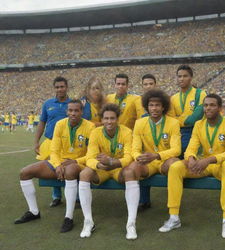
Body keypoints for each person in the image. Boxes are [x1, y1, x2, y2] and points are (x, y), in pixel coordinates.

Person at [159, 94, 225, 239]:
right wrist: (190, 158)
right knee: (176, 167)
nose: (208, 108)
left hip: (219, 165)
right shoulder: (199, 125)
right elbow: (191, 147)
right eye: (206, 105)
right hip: (202, 165)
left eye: (212, 105)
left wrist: (208, 160)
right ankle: (174, 217)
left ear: (220, 108)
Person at [14, 100, 95, 233]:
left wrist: (75, 161)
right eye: (70, 110)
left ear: (81, 112)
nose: (73, 113)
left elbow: (92, 154)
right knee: (24, 173)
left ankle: (68, 217)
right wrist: (57, 165)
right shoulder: (60, 124)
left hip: (79, 163)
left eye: (76, 110)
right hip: (59, 162)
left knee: (70, 171)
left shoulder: (90, 127)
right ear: (66, 111)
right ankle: (34, 211)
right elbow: (54, 150)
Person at [78, 103, 138, 240]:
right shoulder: (95, 132)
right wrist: (99, 165)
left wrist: (112, 162)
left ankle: (131, 224)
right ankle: (88, 222)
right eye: (106, 118)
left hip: (118, 168)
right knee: (84, 174)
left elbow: (129, 157)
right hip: (102, 169)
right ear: (102, 120)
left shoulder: (127, 132)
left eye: (112, 118)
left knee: (130, 172)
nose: (109, 122)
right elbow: (89, 158)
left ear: (117, 119)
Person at [126, 89, 181, 208]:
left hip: (164, 161)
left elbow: (176, 150)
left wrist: (157, 155)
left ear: (163, 107)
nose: (154, 108)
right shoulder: (139, 123)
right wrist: (138, 157)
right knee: (132, 167)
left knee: (174, 164)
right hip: (147, 163)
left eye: (157, 105)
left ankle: (173, 207)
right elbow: (134, 149)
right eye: (151, 105)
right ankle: (133, 208)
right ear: (147, 107)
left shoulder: (173, 123)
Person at [35, 76, 71, 207]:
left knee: (69, 168)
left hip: (67, 143)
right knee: (52, 169)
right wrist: (36, 142)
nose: (60, 89)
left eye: (62, 86)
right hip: (50, 142)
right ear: (54, 88)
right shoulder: (48, 104)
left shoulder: (73, 104)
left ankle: (75, 196)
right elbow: (42, 122)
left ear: (67, 87)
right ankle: (56, 196)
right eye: (57, 87)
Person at [168, 65, 207, 157]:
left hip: (195, 131)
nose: (181, 79)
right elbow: (171, 119)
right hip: (178, 132)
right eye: (179, 76)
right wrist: (183, 120)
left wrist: (178, 119)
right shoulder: (173, 98)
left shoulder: (200, 94)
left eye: (185, 76)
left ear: (191, 77)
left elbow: (194, 118)